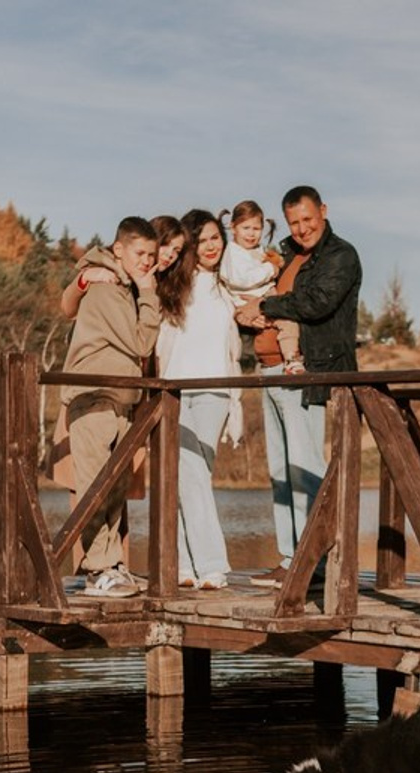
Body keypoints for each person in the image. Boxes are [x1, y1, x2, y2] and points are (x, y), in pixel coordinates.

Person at [235, 186, 362, 589]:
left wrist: (266, 307)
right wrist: (249, 313)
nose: (302, 228)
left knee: (305, 467)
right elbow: (255, 291)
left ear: (323, 211)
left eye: (308, 219)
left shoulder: (340, 255)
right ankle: (290, 560)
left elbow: (317, 302)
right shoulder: (284, 253)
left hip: (306, 371)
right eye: (294, 222)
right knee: (280, 471)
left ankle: (315, 564)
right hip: (270, 369)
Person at [58, 216, 161, 597]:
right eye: (140, 253)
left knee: (114, 488)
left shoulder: (121, 285)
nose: (147, 262)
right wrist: (150, 293)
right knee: (94, 487)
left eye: (151, 255)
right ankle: (97, 569)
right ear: (119, 250)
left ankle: (111, 563)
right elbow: (140, 343)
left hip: (120, 400)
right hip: (94, 397)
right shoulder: (106, 288)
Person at [155, 208, 243, 591]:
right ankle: (196, 565)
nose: (213, 246)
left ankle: (198, 563)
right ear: (190, 243)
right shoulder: (173, 283)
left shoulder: (229, 285)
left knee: (193, 473)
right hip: (174, 390)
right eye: (204, 239)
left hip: (215, 391)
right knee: (184, 475)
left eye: (216, 237)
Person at [218, 199, 302, 373]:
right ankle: (291, 359)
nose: (251, 234)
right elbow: (242, 279)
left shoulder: (254, 250)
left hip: (262, 299)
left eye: (256, 229)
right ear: (233, 227)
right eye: (245, 228)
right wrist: (270, 269)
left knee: (286, 323)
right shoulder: (233, 253)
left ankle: (288, 358)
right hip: (248, 303)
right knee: (287, 321)